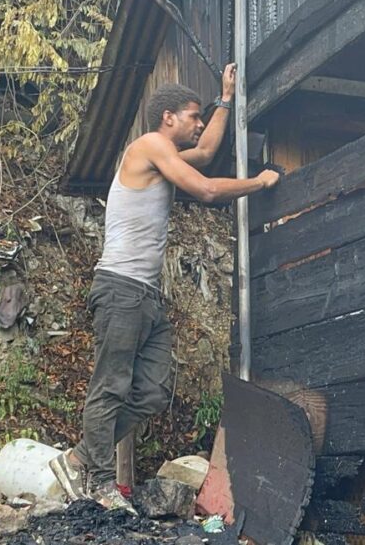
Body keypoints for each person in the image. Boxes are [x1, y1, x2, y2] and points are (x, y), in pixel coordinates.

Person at [50, 63, 280, 513]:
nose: (198, 124)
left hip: (146, 295)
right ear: (167, 118)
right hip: (120, 287)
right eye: (193, 116)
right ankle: (95, 477)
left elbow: (209, 151)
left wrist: (225, 98)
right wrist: (260, 182)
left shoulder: (165, 155)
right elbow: (208, 188)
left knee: (152, 390)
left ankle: (80, 457)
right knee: (112, 385)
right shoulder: (150, 144)